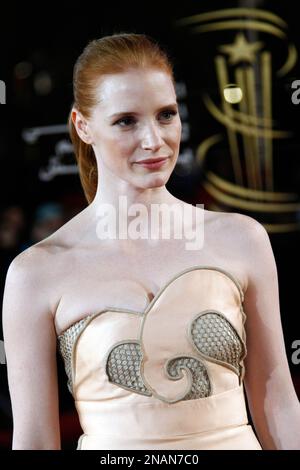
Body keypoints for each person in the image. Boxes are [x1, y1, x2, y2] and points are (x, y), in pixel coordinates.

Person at [2, 32, 300, 450]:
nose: (154, 140)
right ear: (82, 126)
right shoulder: (37, 272)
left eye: (165, 115)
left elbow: (278, 400)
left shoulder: (241, 239)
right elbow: (34, 438)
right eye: (126, 121)